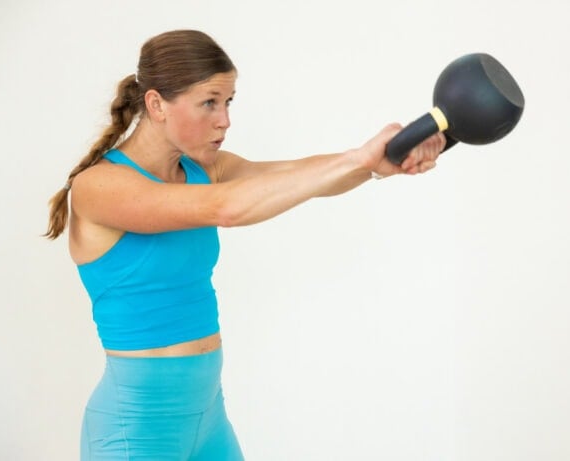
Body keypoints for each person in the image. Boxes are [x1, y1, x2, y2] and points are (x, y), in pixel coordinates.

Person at [45, 29, 446, 460]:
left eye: (228, 102)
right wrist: (359, 160)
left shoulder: (204, 168)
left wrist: (379, 164)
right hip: (135, 429)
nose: (225, 120)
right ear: (156, 104)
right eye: (209, 102)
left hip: (209, 419)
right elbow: (226, 209)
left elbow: (296, 176)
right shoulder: (98, 187)